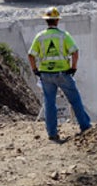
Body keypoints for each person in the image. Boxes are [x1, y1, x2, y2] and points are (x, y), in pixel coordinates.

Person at [28, 7, 92, 142]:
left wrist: (35, 70)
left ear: (46, 21)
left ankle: (52, 133)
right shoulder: (64, 35)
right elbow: (75, 51)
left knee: (49, 103)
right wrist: (73, 68)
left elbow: (31, 55)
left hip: (45, 75)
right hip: (63, 73)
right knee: (75, 100)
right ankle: (85, 127)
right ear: (57, 21)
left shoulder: (39, 37)